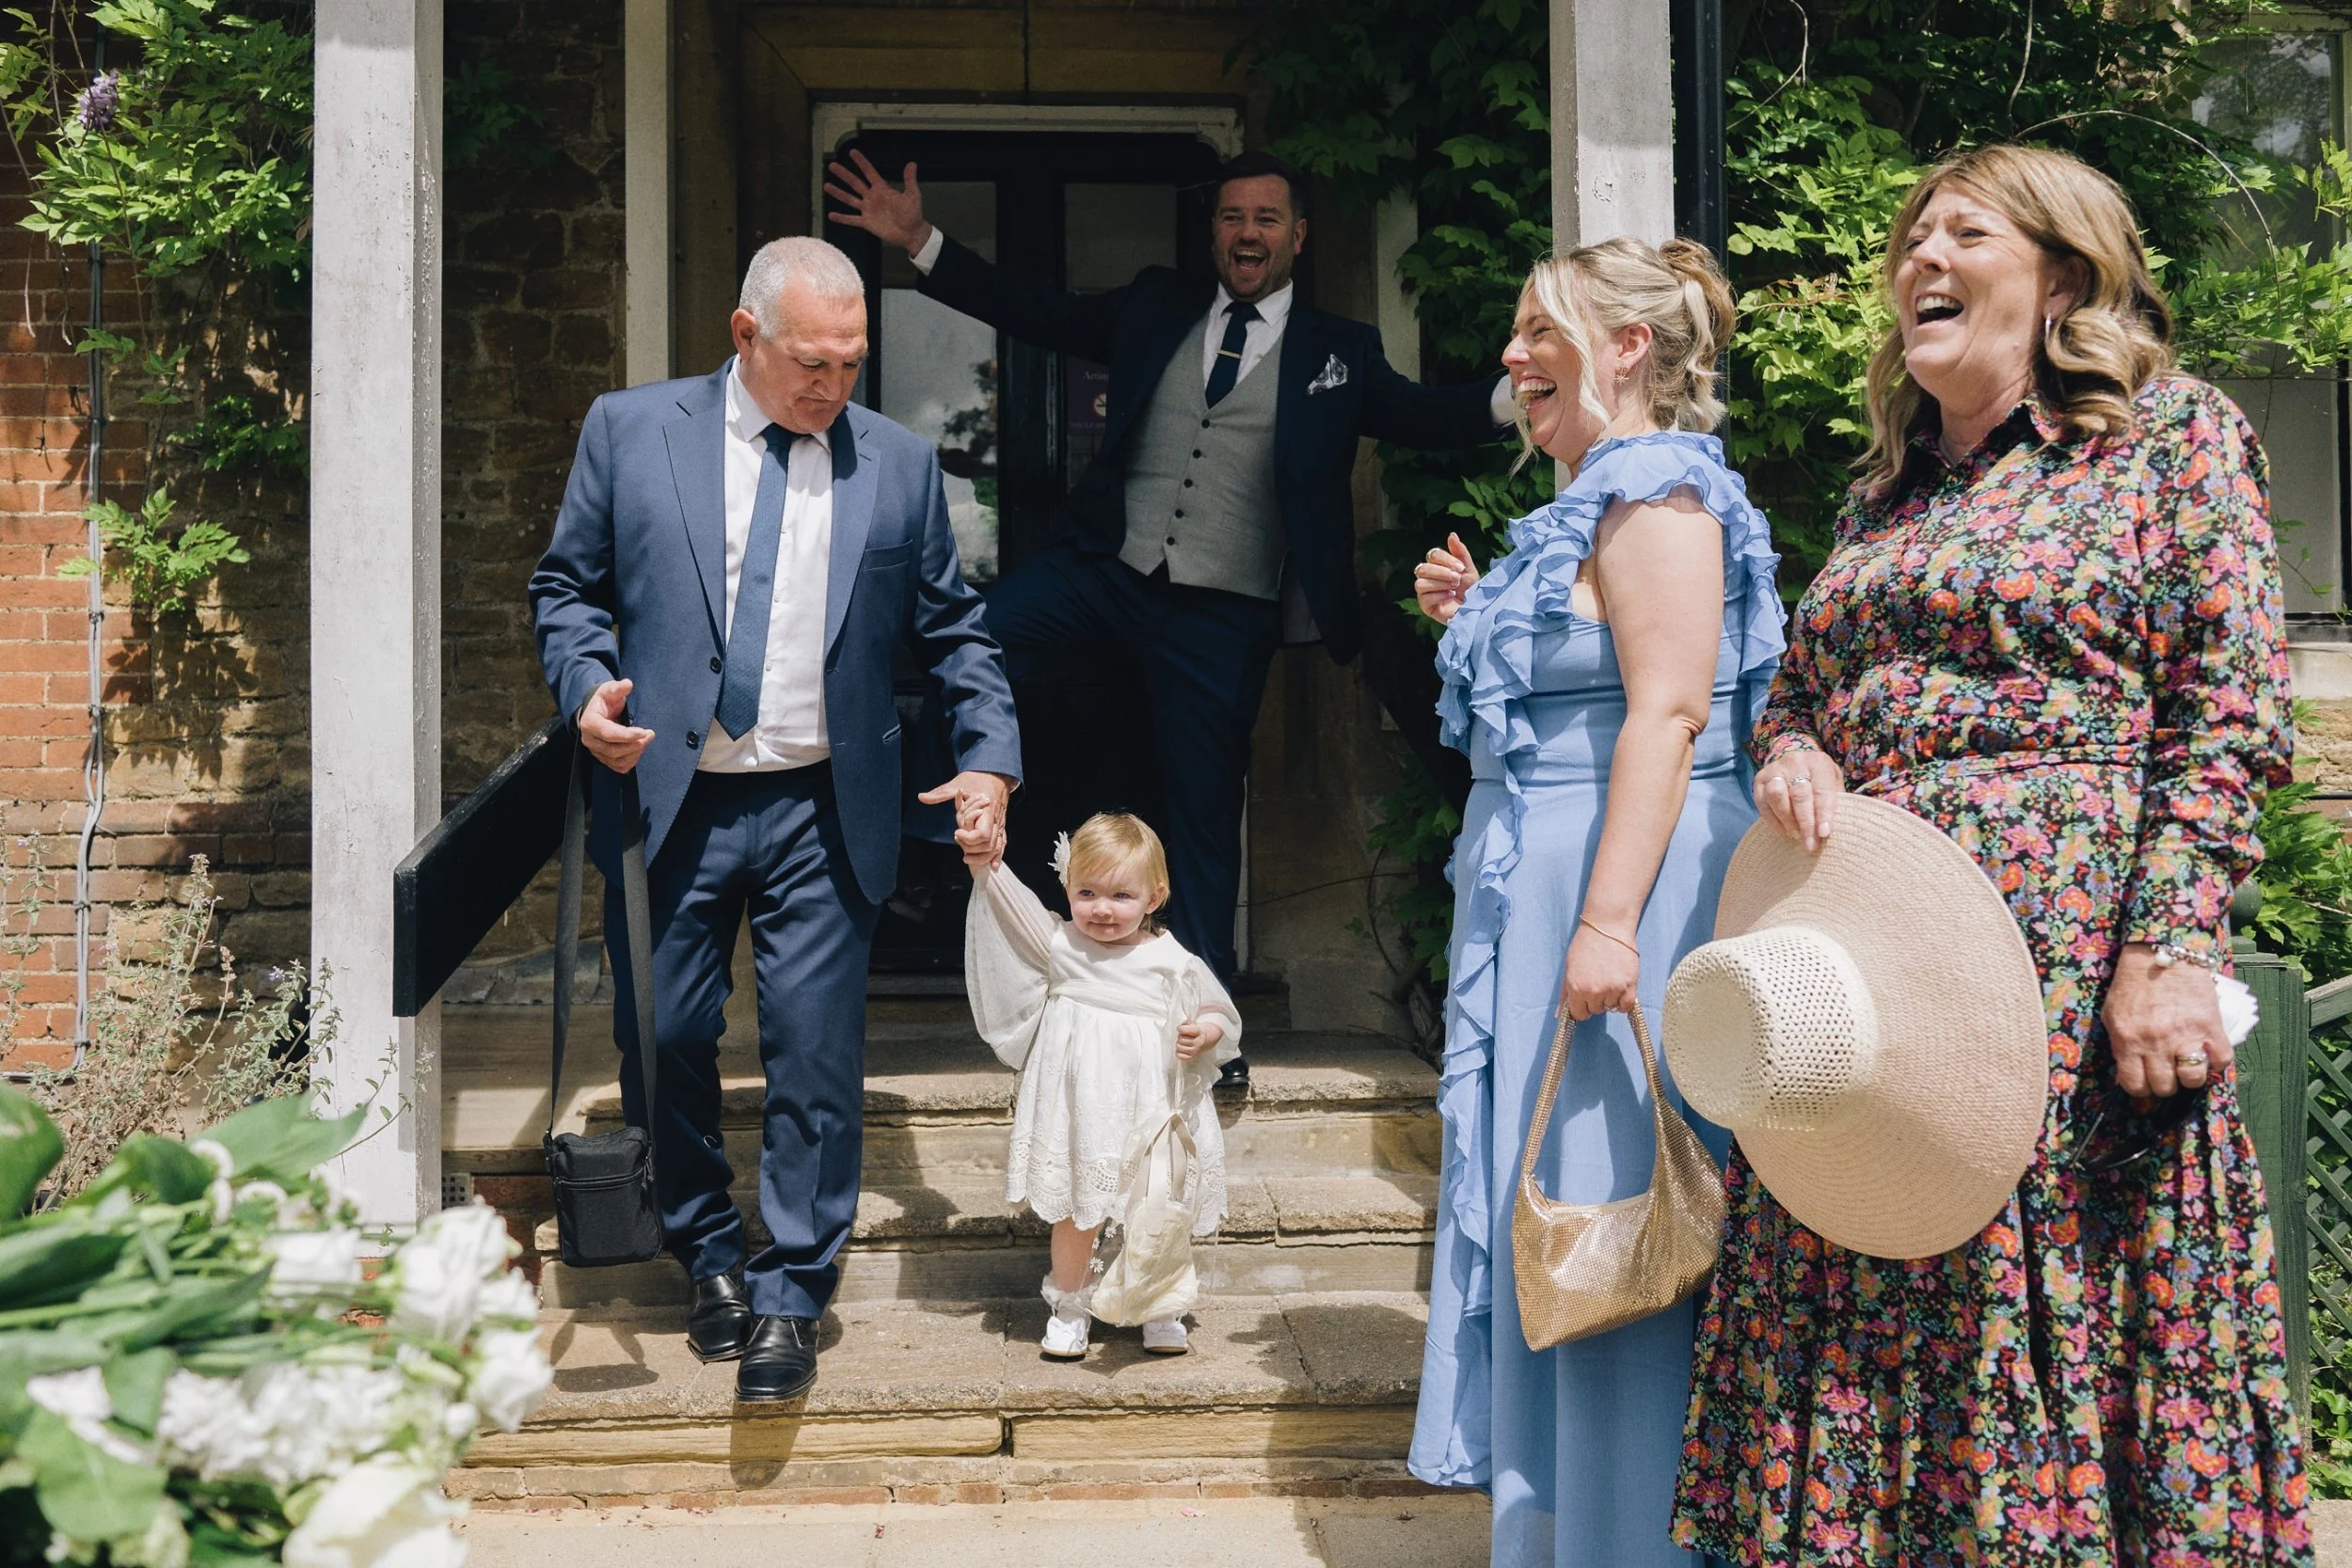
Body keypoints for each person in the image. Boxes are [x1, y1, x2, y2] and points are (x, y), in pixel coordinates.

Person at [1670, 144, 2313, 1563]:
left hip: (2075, 978)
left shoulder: (2169, 438)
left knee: (2058, 1321)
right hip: (1875, 986)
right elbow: (1798, 693)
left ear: (2063, 274)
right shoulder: (1880, 495)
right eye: (1910, 238)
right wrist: (1798, 751)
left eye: (1963, 232)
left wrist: (2171, 942)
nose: (1920, 259)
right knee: (1866, 1314)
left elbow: (2228, 709)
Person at [826, 149, 1515, 1086]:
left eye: (1267, 218)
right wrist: (920, 241)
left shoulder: (1338, 352)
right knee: (978, 633)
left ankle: (1211, 1029)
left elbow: (1430, 414)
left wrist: (1541, 382)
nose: (1247, 233)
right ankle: (914, 814)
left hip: (1221, 615)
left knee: (1198, 816)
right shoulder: (1156, 304)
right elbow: (1041, 311)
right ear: (1214, 232)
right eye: (1232, 217)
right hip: (1107, 573)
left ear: (1296, 237)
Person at [528, 236, 1022, 1404]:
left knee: (813, 1054)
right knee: (665, 1039)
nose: (836, 385)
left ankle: (793, 1288)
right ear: (745, 336)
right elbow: (567, 589)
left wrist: (991, 758)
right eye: (814, 361)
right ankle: (707, 1253)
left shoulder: (897, 466)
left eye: (853, 362)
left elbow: (955, 629)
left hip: (820, 800)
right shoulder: (629, 429)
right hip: (670, 795)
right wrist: (585, 683)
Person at [1407, 236, 1781, 1568]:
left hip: (1623, 891)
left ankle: (1637, 1543)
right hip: (1548, 888)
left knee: (1623, 1215)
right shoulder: (1588, 503)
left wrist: (1610, 920)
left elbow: (1673, 710)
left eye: (1537, 328)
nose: (1511, 358)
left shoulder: (1661, 491)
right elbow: (1594, 665)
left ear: (1625, 345)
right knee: (1560, 1226)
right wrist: (1481, 605)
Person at [961, 813, 1242, 1360]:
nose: (1102, 908)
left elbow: (1218, 1009)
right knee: (1076, 1206)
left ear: (1154, 896)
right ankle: (1070, 1304)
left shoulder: (1169, 958)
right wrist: (984, 862)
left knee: (1156, 1201)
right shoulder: (1061, 944)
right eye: (1086, 892)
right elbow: (1010, 904)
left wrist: (1203, 1032)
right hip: (1079, 1105)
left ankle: (1160, 1303)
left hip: (1150, 1103)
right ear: (1066, 887)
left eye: (1120, 894)